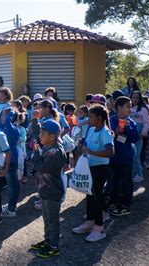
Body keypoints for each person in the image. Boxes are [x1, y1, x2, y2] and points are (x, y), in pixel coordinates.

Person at [73, 104, 114, 242]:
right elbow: (86, 144)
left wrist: (92, 152)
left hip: (100, 169)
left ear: (100, 118)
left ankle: (99, 228)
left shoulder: (105, 133)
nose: (88, 119)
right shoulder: (91, 129)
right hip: (89, 167)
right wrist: (81, 148)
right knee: (89, 195)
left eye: (91, 117)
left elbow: (110, 152)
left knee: (97, 197)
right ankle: (89, 222)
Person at [29, 120, 66, 258]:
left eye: (43, 134)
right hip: (45, 190)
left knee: (53, 220)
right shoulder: (48, 145)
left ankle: (54, 246)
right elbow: (37, 131)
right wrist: (34, 121)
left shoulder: (55, 151)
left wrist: (36, 153)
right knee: (46, 218)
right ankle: (48, 240)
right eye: (40, 133)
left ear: (52, 136)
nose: (40, 136)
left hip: (52, 191)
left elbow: (40, 167)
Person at [109, 96, 139, 216]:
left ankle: (125, 205)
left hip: (126, 157)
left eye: (130, 106)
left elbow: (135, 138)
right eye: (128, 106)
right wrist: (115, 133)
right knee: (113, 181)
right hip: (113, 157)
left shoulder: (130, 121)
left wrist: (126, 128)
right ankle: (114, 202)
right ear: (119, 107)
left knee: (126, 182)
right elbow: (107, 136)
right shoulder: (111, 120)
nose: (130, 109)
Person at [0, 108, 21, 217]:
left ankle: (11, 209)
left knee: (13, 186)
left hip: (11, 161)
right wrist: (1, 114)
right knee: (12, 185)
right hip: (5, 160)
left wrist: (11, 111)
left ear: (11, 118)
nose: (2, 117)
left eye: (4, 115)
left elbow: (7, 122)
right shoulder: (3, 128)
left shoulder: (14, 129)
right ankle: (11, 205)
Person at [130, 91, 149, 182]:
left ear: (140, 99)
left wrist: (143, 133)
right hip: (129, 134)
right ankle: (133, 173)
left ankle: (139, 174)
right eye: (133, 97)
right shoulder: (129, 108)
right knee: (131, 155)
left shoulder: (143, 109)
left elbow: (147, 123)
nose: (135, 99)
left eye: (137, 98)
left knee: (136, 155)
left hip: (139, 135)